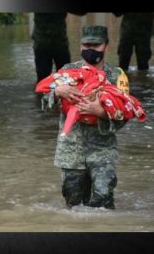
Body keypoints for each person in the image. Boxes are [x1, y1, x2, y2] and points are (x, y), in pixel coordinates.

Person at [41, 25, 129, 209]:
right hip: (71, 151)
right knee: (73, 203)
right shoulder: (67, 71)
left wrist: (101, 112)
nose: (90, 50)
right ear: (80, 46)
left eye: (96, 45)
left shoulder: (116, 75)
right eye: (86, 45)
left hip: (103, 150)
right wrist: (57, 91)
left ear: (106, 46)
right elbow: (44, 103)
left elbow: (126, 114)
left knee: (103, 200)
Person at [32, 13, 86, 83]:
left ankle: (42, 92)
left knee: (44, 80)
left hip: (45, 42)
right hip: (57, 42)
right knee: (65, 78)